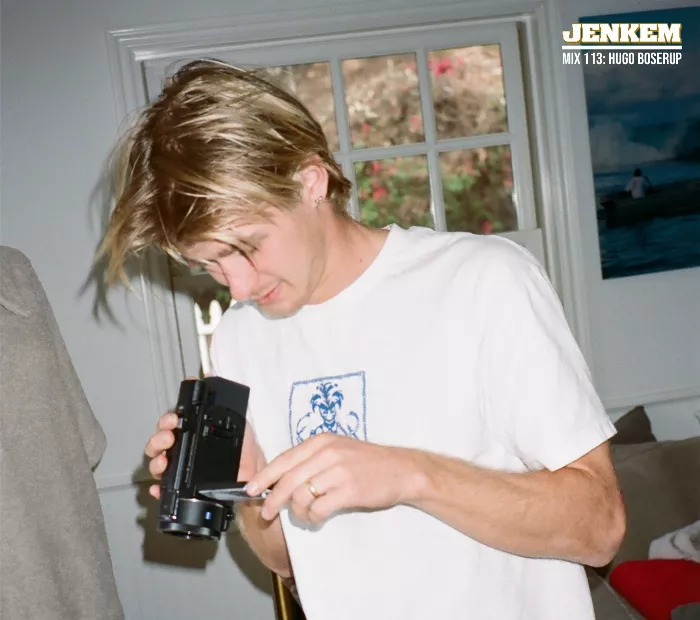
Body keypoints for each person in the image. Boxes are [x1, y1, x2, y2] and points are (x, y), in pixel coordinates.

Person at [98, 59, 626, 620]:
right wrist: (246, 486)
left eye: (247, 246)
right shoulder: (239, 337)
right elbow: (288, 560)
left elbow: (600, 527)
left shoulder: (485, 280)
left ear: (310, 181)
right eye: (210, 265)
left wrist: (408, 474)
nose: (240, 287)